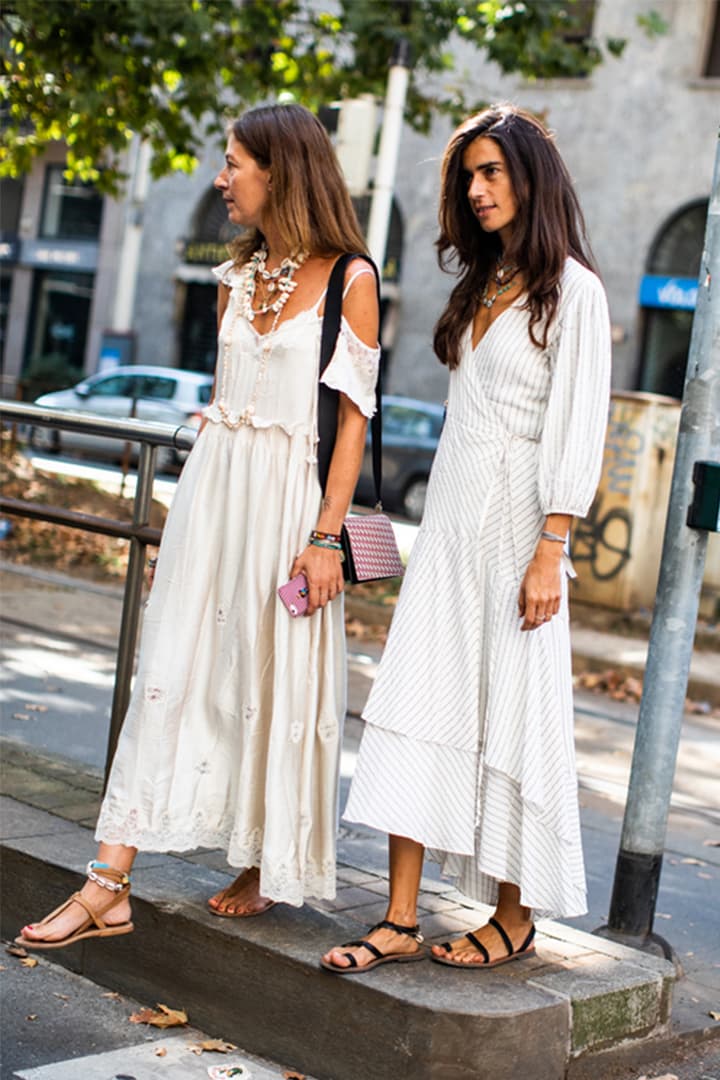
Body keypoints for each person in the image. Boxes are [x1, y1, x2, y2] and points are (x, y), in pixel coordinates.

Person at [17, 103, 380, 949]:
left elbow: (353, 424)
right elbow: (222, 414)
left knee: (269, 680)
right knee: (170, 670)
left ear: (281, 172)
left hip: (289, 506)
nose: (222, 179)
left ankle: (262, 858)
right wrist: (179, 532)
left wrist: (327, 537)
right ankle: (109, 882)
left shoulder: (352, 281)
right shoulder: (236, 276)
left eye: (234, 164)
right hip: (213, 497)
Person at [322, 104, 611, 974]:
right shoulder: (479, 286)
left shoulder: (576, 291)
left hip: (523, 525)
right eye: (469, 176)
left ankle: (513, 915)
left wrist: (551, 548)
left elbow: (578, 428)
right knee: (418, 700)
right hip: (449, 521)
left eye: (492, 172)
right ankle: (399, 917)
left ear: (532, 177)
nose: (478, 190)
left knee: (513, 717)